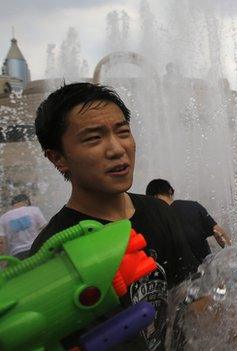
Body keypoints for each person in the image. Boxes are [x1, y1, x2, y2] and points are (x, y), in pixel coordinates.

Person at [30, 82, 199, 350]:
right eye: (94, 138)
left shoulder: (158, 211)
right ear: (57, 158)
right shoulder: (52, 253)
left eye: (123, 132)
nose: (117, 149)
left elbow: (190, 294)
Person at [145, 178, 231, 262]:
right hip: (203, 270)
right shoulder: (194, 207)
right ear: (171, 191)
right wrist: (230, 255)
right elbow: (218, 232)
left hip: (174, 274)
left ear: (152, 198)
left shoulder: (153, 219)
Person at [0, 194, 46, 259]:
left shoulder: (3, 218)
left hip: (17, 254)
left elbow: (1, 242)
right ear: (26, 202)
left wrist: (2, 261)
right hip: (36, 248)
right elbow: (45, 229)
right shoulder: (34, 209)